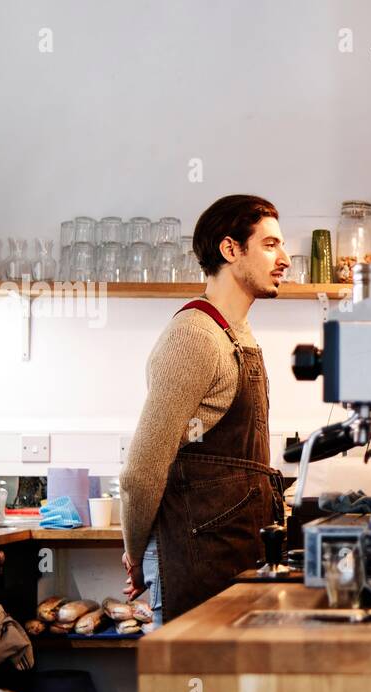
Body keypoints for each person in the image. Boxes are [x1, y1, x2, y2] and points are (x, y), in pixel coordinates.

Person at [119, 195, 291, 624]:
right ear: (230, 250)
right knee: (190, 685)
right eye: (270, 245)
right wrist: (136, 554)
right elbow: (142, 468)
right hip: (196, 560)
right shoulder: (195, 336)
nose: (285, 258)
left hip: (234, 553)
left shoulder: (237, 334)